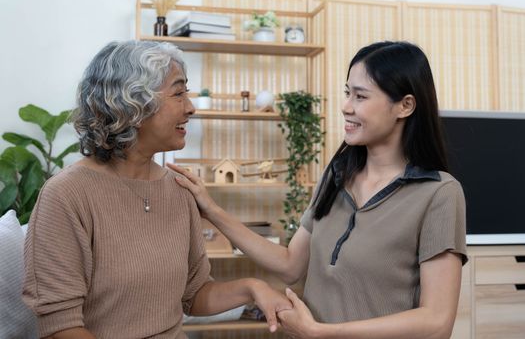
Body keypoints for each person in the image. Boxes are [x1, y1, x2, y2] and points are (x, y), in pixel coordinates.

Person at [170, 41, 468, 338]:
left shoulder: (439, 193)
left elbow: (437, 322)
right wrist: (213, 211)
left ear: (405, 105)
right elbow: (290, 265)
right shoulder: (336, 175)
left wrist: (323, 332)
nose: (346, 106)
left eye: (361, 96)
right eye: (347, 92)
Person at [22, 40, 291, 339]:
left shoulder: (179, 189)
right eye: (178, 93)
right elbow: (61, 329)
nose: (190, 108)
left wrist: (253, 287)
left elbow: (194, 294)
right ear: (132, 104)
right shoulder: (65, 196)